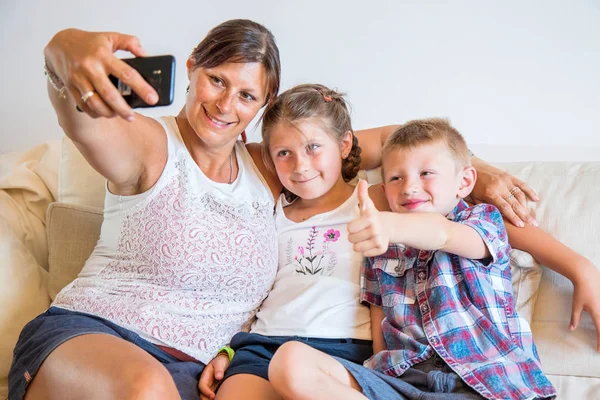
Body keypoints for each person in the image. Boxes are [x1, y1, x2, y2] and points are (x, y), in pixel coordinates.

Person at [8, 19, 555, 400]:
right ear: (193, 69)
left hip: (199, 371)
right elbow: (78, 119)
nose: (225, 104)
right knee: (145, 389)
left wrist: (481, 175)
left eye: (247, 95)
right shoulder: (151, 145)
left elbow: (390, 137)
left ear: (262, 109)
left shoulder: (272, 166)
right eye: (216, 80)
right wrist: (63, 51)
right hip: (101, 336)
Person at [265, 118, 600, 400]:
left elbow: (442, 234)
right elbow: (381, 330)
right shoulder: (380, 247)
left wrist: (389, 224)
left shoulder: (481, 221)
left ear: (465, 181)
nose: (409, 188)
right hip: (403, 383)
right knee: (288, 361)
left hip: (484, 381)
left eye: (426, 173)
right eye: (395, 178)